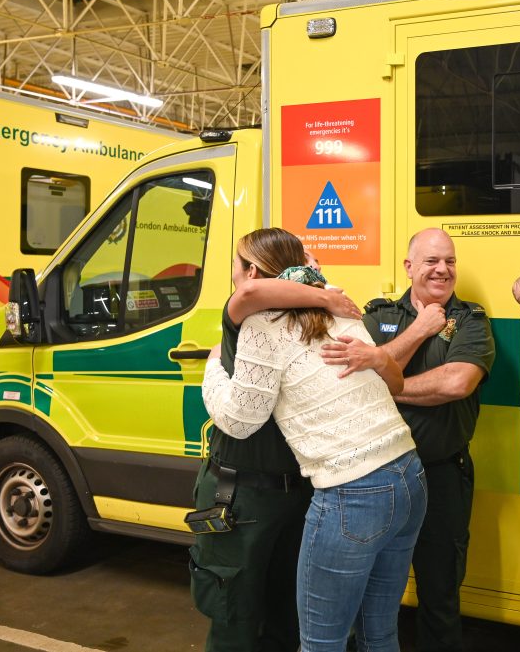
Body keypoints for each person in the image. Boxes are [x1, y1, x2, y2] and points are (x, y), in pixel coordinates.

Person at [201, 227, 427, 652]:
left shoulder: (261, 323)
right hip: (409, 474)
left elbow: (240, 420)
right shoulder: (340, 307)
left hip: (353, 490)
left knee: (322, 643)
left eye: (236, 265)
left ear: (250, 271)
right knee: (380, 633)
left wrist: (212, 371)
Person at [188, 227, 360, 652]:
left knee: (273, 617)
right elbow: (250, 297)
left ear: (249, 270)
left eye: (235, 264)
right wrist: (321, 291)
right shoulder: (284, 316)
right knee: (247, 617)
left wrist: (317, 290)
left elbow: (247, 295)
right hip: (253, 495)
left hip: (274, 495)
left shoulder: (282, 319)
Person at [358, 228, 495, 652]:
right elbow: (356, 376)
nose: (442, 269)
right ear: (409, 267)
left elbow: (456, 383)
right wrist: (419, 329)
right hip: (375, 476)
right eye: (432, 261)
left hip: (441, 475)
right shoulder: (376, 316)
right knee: (371, 591)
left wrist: (384, 382)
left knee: (440, 594)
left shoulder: (471, 320)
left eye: (450, 261)